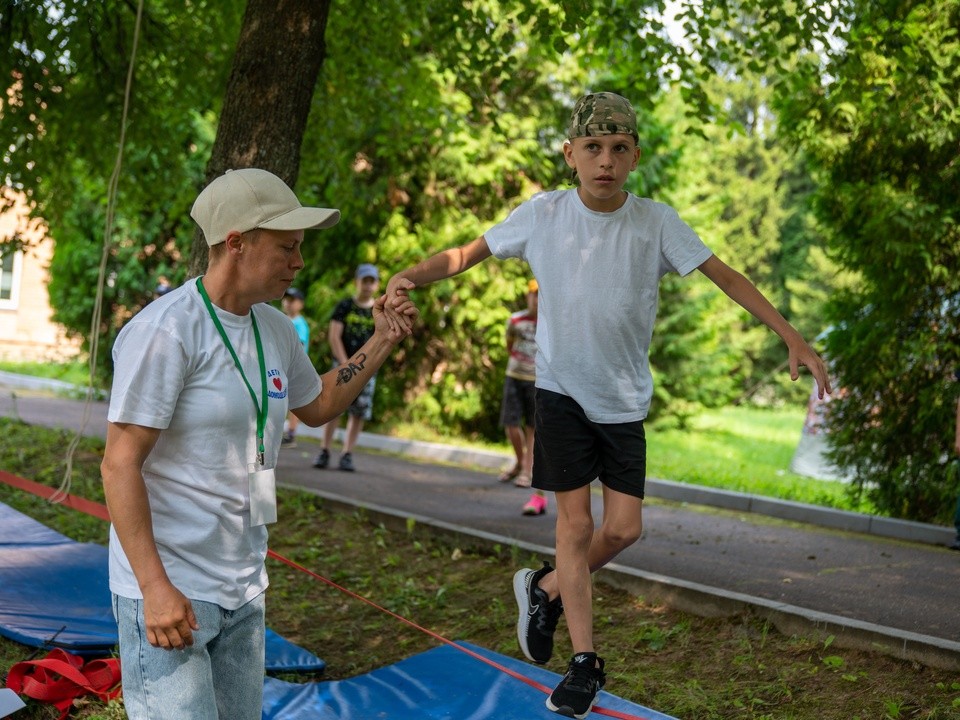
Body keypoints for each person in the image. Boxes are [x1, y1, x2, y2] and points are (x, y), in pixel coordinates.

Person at [386, 92, 831, 719]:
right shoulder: (542, 214)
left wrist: (793, 336)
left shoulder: (656, 222)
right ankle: (585, 663)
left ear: (635, 157)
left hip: (624, 400)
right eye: (592, 148)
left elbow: (726, 276)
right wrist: (411, 274)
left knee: (625, 530)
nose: (605, 160)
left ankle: (543, 588)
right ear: (570, 154)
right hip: (563, 390)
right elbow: (467, 254)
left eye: (619, 149)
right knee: (576, 527)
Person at [100, 168, 416, 720]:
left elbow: (316, 405)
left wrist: (383, 339)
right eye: (287, 248)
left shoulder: (272, 327)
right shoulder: (167, 331)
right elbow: (118, 465)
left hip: (243, 585)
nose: (299, 263)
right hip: (173, 586)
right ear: (236, 244)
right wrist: (154, 587)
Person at [313, 263, 381, 472]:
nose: (367, 286)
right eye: (364, 281)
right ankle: (324, 450)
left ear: (377, 285)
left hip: (368, 369)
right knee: (334, 409)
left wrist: (365, 366)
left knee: (358, 412)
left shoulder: (378, 310)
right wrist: (346, 365)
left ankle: (347, 453)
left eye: (372, 281)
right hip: (342, 365)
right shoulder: (344, 306)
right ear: (356, 282)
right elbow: (334, 336)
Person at [281, 287, 310, 447]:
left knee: (293, 403)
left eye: (292, 300)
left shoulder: (300, 323)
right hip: (283, 367)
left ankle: (291, 434)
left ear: (301, 304)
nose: (288, 303)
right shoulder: (283, 319)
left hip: (294, 369)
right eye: (286, 299)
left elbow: (299, 344)